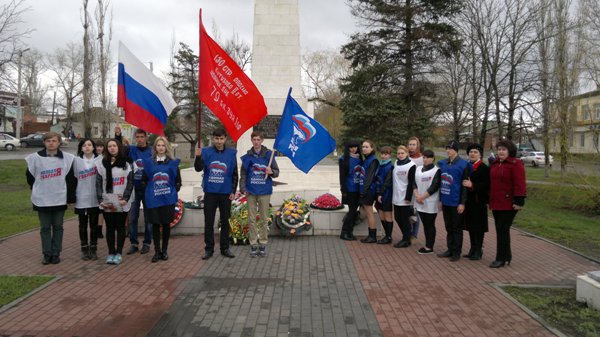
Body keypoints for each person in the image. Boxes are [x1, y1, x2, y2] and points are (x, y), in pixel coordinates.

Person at [25, 132, 76, 265]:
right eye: (48, 141)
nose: (51, 143)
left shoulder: (68, 158)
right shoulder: (34, 158)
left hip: (60, 198)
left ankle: (56, 253)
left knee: (58, 226)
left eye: (54, 141)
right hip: (42, 199)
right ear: (44, 142)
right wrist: (39, 188)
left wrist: (70, 199)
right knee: (45, 228)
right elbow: (30, 178)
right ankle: (47, 254)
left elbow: (71, 180)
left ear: (59, 142)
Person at [194, 128, 238, 260]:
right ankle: (209, 249)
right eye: (217, 138)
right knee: (209, 221)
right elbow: (198, 168)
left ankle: (225, 248)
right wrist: (197, 157)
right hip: (210, 192)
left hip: (225, 193)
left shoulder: (231, 153)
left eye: (221, 138)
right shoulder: (206, 152)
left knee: (225, 221)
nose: (219, 141)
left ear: (225, 139)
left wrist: (233, 191)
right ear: (213, 139)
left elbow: (235, 174)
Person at [239, 131, 279, 257]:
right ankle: (253, 243)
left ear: (262, 140)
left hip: (264, 191)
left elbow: (277, 172)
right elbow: (243, 174)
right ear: (251, 141)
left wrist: (271, 171)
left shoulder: (269, 155)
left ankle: (262, 243)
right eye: (254, 139)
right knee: (251, 219)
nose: (256, 142)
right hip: (251, 191)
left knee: (263, 219)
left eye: (258, 139)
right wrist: (242, 188)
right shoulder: (248, 156)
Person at [142, 137, 181, 263]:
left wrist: (173, 191)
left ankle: (164, 251)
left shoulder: (173, 163)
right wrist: (149, 190)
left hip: (167, 199)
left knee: (165, 224)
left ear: (166, 147)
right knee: (155, 224)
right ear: (155, 148)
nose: (160, 147)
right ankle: (157, 251)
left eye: (163, 145)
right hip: (154, 199)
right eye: (158, 145)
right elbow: (144, 180)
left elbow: (178, 181)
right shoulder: (148, 163)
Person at [489, 139, 526, 268]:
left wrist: (519, 201)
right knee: (500, 230)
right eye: (499, 149)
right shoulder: (494, 164)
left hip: (509, 203)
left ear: (509, 151)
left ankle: (501, 258)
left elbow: (520, 184)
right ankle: (506, 256)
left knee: (502, 229)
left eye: (503, 149)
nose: (501, 152)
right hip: (496, 203)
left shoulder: (516, 164)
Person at [96, 139, 134, 265]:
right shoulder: (103, 163)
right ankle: (111, 253)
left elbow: (130, 182)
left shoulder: (127, 163)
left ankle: (118, 253)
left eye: (114, 146)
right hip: (108, 200)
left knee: (120, 227)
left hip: (122, 200)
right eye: (110, 146)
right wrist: (100, 200)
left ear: (119, 147)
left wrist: (126, 199)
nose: (112, 148)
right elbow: (99, 183)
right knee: (110, 228)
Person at [437, 140, 470, 262]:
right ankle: (450, 249)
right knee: (448, 226)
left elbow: (464, 186)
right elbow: (441, 183)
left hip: (456, 202)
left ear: (456, 150)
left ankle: (456, 251)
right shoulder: (444, 164)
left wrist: (462, 203)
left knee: (456, 228)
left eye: (450, 148)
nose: (447, 151)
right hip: (446, 200)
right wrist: (440, 199)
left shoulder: (463, 164)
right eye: (446, 148)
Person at [126, 129, 153, 255]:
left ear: (146, 137)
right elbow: (118, 147)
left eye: (142, 136)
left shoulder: (152, 151)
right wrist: (118, 135)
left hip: (148, 189)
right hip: (134, 189)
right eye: (137, 137)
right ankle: (134, 243)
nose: (140, 139)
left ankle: (147, 243)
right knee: (132, 218)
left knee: (149, 218)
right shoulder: (131, 150)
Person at [462, 143, 490, 261]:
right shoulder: (466, 167)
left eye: (475, 152)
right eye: (471, 152)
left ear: (480, 155)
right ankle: (472, 249)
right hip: (468, 201)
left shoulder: (484, 168)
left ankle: (478, 250)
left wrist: (472, 185)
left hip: (479, 201)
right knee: (470, 226)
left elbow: (486, 184)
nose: (472, 154)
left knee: (478, 227)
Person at [74, 138, 100, 261]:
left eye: (89, 145)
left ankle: (93, 248)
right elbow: (72, 179)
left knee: (94, 225)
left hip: (95, 198)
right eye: (84, 145)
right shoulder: (76, 161)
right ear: (81, 148)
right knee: (82, 225)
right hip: (81, 197)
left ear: (93, 147)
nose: (87, 147)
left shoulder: (99, 160)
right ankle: (84, 248)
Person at [412, 150, 441, 254]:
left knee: (429, 224)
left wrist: (422, 198)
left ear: (433, 158)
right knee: (425, 224)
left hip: (430, 202)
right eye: (423, 157)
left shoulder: (436, 171)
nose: (425, 159)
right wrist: (417, 195)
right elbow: (413, 183)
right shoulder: (418, 169)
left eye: (428, 157)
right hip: (419, 201)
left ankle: (429, 247)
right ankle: (427, 244)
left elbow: (434, 187)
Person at [391, 145, 416, 248]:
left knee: (404, 219)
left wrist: (408, 197)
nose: (400, 155)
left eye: (402, 153)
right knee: (397, 218)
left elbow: (411, 182)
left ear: (407, 154)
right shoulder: (396, 163)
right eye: (398, 153)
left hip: (406, 196)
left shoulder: (411, 165)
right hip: (396, 195)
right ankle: (407, 236)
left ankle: (406, 239)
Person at [338, 140, 363, 241]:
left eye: (355, 147)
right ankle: (344, 232)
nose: (353, 149)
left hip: (359, 189)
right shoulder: (343, 159)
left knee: (354, 211)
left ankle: (349, 232)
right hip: (350, 189)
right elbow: (342, 176)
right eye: (351, 147)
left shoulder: (360, 159)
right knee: (352, 211)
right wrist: (343, 190)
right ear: (348, 148)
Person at [359, 140, 380, 243]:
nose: (364, 148)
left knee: (369, 213)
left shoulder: (373, 160)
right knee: (366, 212)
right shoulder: (366, 159)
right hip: (365, 189)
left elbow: (369, 178)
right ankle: (371, 235)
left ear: (372, 148)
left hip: (369, 190)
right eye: (363, 147)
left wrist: (364, 191)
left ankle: (372, 236)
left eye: (366, 147)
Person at [375, 146, 394, 244]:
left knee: (387, 216)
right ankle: (386, 235)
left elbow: (387, 182)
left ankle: (389, 237)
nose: (383, 156)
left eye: (385, 154)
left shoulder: (390, 166)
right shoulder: (380, 165)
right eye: (382, 154)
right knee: (381, 216)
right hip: (379, 193)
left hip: (386, 194)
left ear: (389, 155)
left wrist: (381, 193)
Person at [407, 136, 424, 244]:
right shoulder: (405, 156)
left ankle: (414, 235)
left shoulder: (422, 158)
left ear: (417, 146)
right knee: (407, 213)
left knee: (415, 213)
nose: (412, 147)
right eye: (410, 144)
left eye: (414, 144)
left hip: (417, 189)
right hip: (406, 189)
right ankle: (408, 233)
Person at [95, 140, 105, 239]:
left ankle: (100, 228)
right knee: (98, 210)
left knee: (102, 209)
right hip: (94, 186)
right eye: (97, 146)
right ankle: (98, 228)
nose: (99, 148)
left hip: (103, 186)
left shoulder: (105, 158)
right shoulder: (94, 158)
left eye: (101, 146)